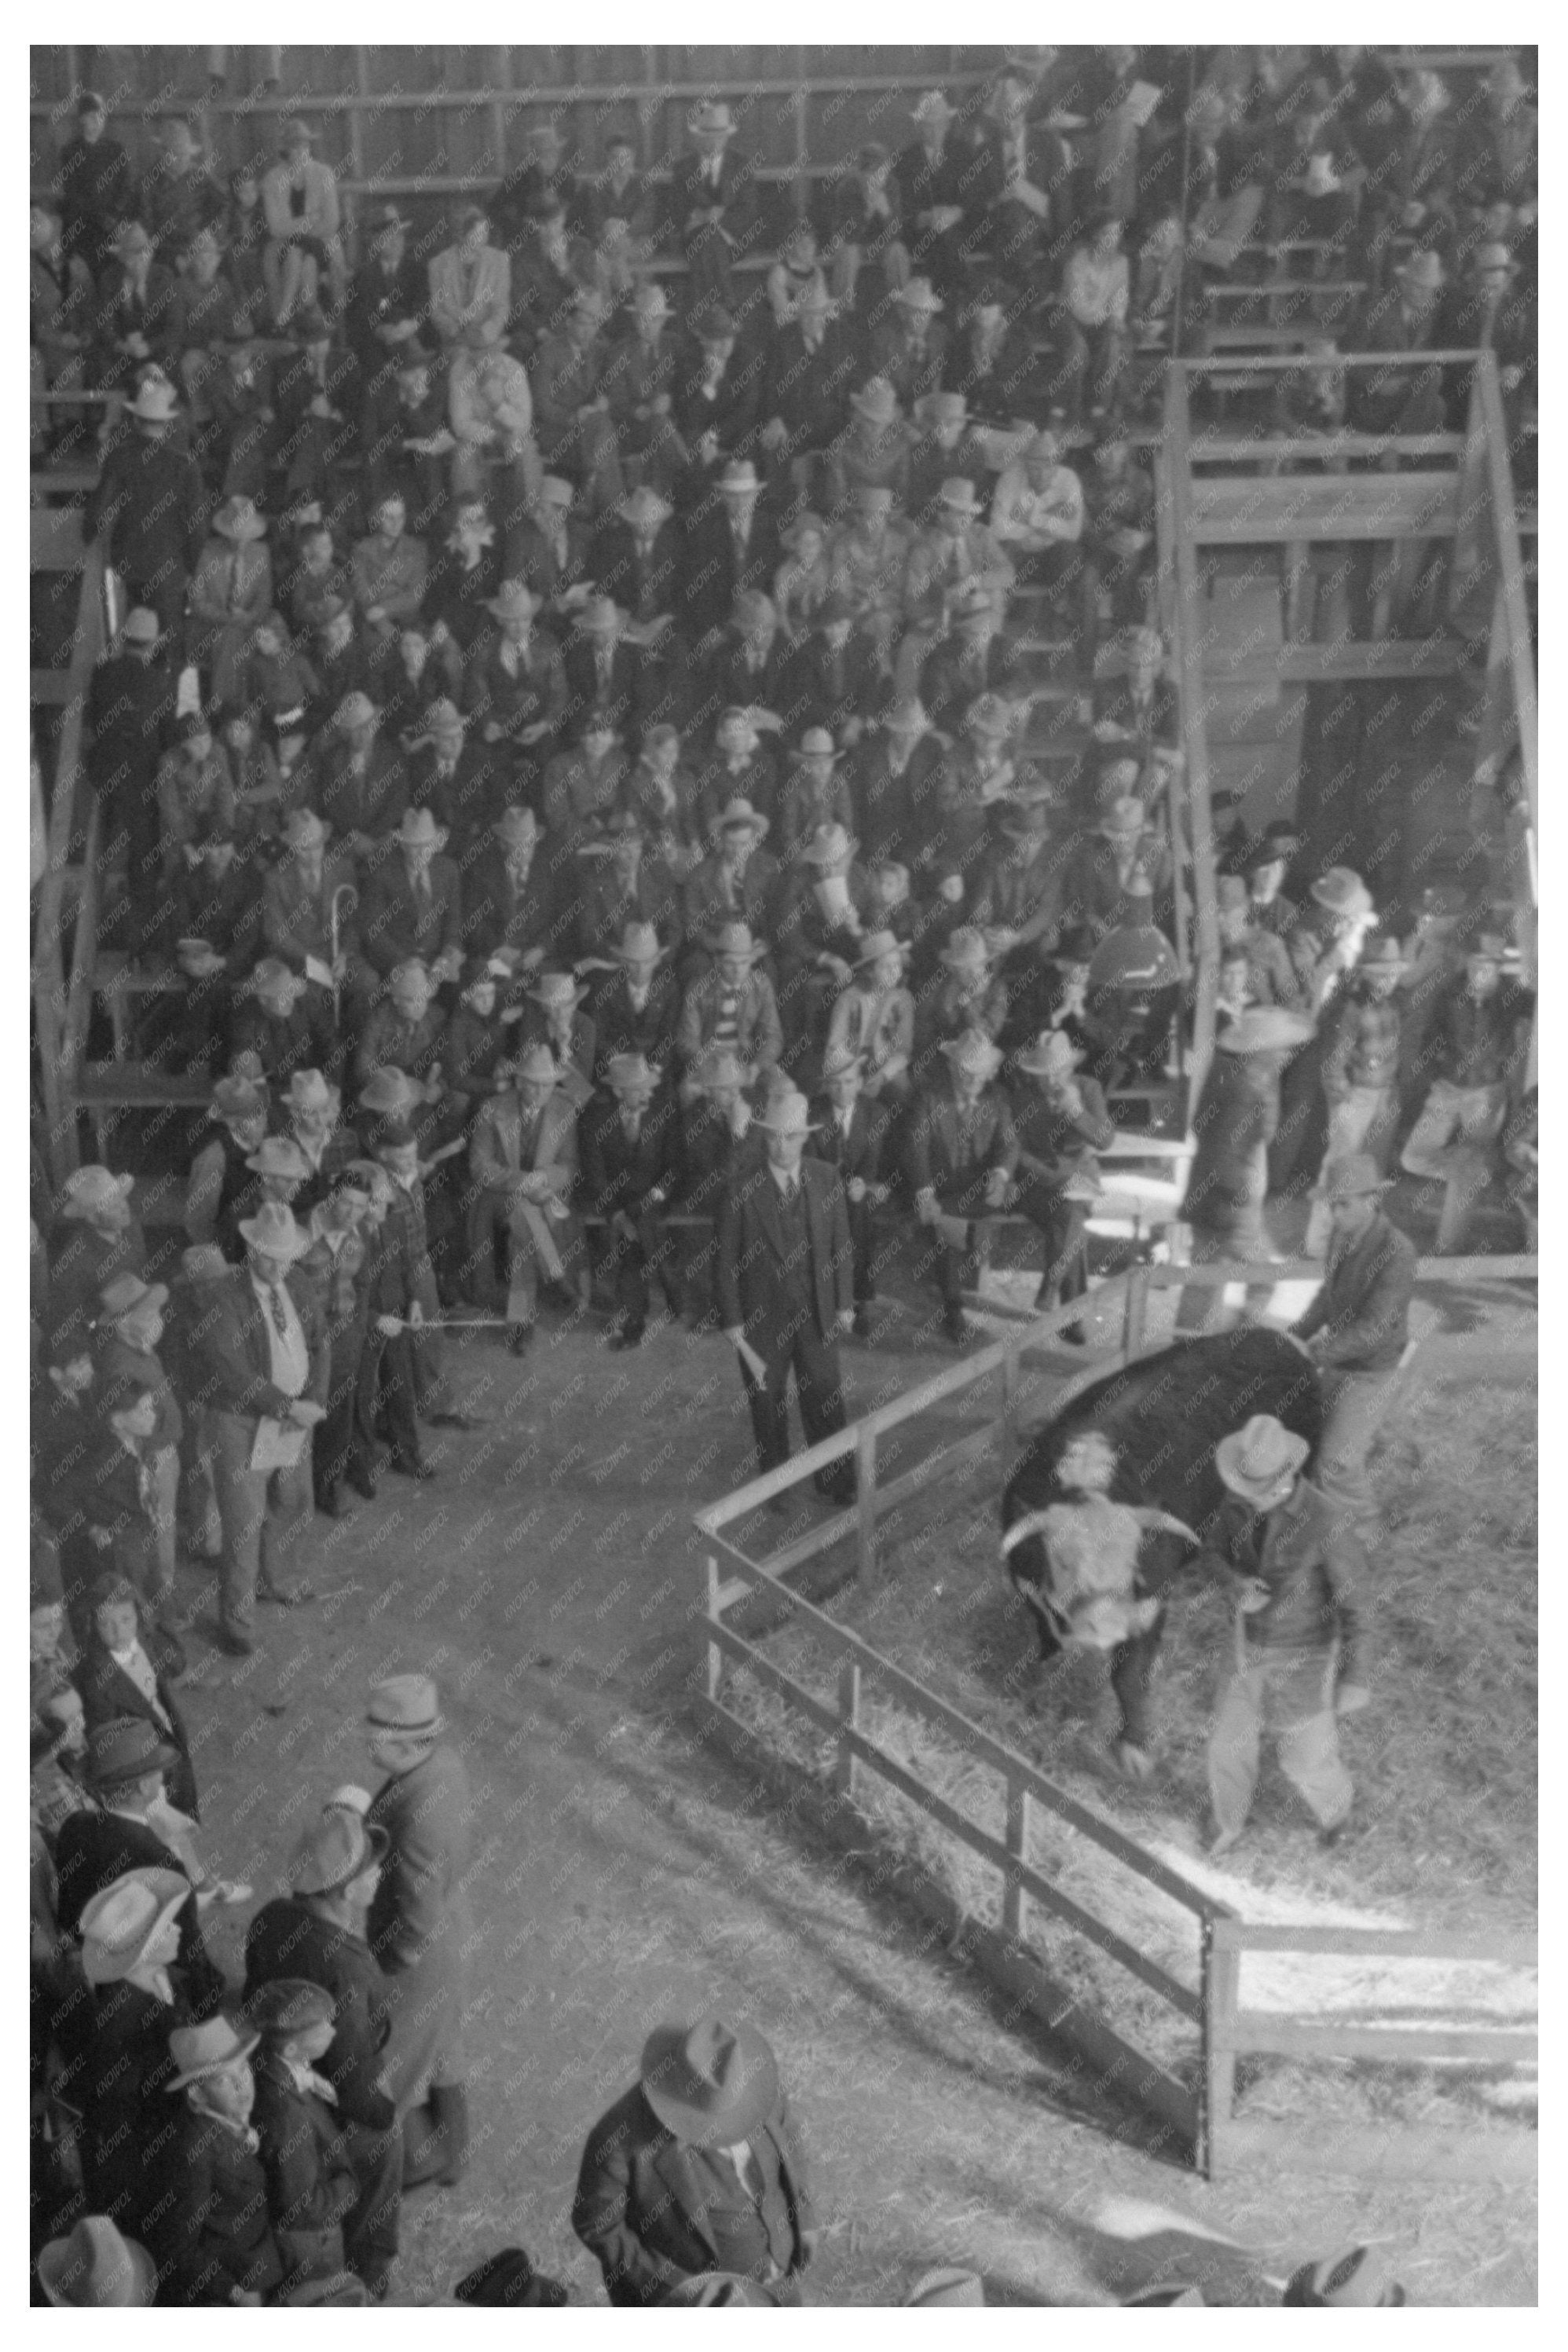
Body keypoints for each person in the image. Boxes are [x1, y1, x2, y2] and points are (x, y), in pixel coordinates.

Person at [1200, 1415, 1371, 1858]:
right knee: (1227, 1742)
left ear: (1285, 1476)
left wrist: (1356, 1677)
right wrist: (1235, 1584)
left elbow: (1357, 1605)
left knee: (1303, 1758)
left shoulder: (1327, 1519)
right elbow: (1212, 1553)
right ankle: (1226, 1822)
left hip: (1305, 1655)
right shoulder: (1237, 1500)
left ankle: (1338, 1816)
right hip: (1243, 1644)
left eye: (1258, 1490)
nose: (1247, 1497)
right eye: (1244, 1486)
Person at [573, 2013, 819, 2305]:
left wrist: (804, 2220)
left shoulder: (752, 2087)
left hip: (780, 2283)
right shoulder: (619, 2138)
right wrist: (683, 2289)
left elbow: (788, 2140)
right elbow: (597, 2226)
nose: (733, 2131)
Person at [187, 1200, 327, 1655]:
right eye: (269, 1255)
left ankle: (279, 1581)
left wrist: (315, 1401)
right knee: (243, 1522)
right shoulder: (223, 1297)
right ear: (250, 1249)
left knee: (290, 1501)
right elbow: (231, 1372)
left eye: (285, 1256)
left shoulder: (299, 1283)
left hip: (293, 1417)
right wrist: (286, 1405)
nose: (278, 1265)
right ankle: (237, 1621)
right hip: (241, 1421)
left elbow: (320, 1343)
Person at [716, 1087, 856, 1504]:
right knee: (767, 1401)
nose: (782, 1144)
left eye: (791, 1136)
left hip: (817, 1312)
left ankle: (837, 1481)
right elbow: (724, 1262)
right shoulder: (741, 1188)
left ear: (805, 1137)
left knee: (826, 1395)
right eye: (774, 1136)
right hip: (762, 1320)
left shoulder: (826, 1177)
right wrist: (733, 1321)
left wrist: (845, 1302)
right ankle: (774, 1486)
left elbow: (842, 1246)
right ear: (764, 1137)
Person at [365, 1674, 474, 2190]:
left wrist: (384, 1972)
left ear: (407, 1742)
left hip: (420, 1955)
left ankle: (406, 2170)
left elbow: (415, 1921)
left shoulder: (420, 1819)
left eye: (376, 1732)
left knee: (397, 2064)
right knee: (443, 2046)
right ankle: (454, 2155)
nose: (367, 1739)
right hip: (451, 1928)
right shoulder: (442, 1766)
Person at [245, 1976, 399, 2301]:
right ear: (291, 2048)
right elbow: (302, 2207)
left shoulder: (273, 2065)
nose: (333, 2031)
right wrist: (350, 2188)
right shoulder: (285, 2116)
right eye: (323, 2027)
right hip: (313, 2246)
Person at [1289, 1155, 1417, 1533]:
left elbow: (1376, 1329)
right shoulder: (1341, 1239)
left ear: (1372, 1200)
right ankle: (1326, 1524)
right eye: (1332, 1204)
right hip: (1341, 1361)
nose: (1334, 1213)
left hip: (1375, 1369)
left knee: (1336, 1463)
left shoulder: (1397, 1251)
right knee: (1313, 1443)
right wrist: (1293, 1335)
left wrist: (1315, 1352)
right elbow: (1326, 1299)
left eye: (1343, 1203)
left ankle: (1367, 1529)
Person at [1399, 931, 1530, 1252]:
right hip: (1447, 1090)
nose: (1478, 970)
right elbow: (1430, 1038)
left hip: (1487, 1096)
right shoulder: (1449, 994)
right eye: (1473, 963)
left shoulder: (1517, 1000)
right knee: (1413, 1158)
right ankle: (1470, 1170)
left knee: (1469, 1171)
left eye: (1487, 964)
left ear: (1499, 967)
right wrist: (1432, 1076)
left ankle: (1449, 1247)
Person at [146, 2013, 288, 2306]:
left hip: (261, 2248)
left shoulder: (233, 2113)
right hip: (237, 2275)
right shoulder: (193, 2152)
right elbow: (178, 2247)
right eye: (224, 2079)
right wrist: (233, 2293)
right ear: (197, 2093)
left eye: (244, 2070)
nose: (242, 2086)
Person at [467, 1043, 586, 1352]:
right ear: (519, 1082)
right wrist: (523, 1181)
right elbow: (480, 1167)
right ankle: (556, 1273)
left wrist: (543, 1178)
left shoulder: (565, 1109)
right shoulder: (492, 1108)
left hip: (544, 1195)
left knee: (524, 1232)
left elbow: (570, 1166)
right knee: (521, 1207)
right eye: (532, 1083)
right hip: (499, 1196)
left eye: (546, 1084)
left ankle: (519, 1323)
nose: (539, 1091)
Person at [905, 1028, 1019, 1346]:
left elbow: (1008, 1145)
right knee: (943, 1224)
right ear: (954, 1068)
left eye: (980, 1075)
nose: (973, 1081)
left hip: (978, 1188)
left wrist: (999, 1174)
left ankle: (962, 1265)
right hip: (940, 1189)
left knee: (992, 1201)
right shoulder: (929, 1096)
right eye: (967, 1073)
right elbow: (916, 1148)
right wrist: (925, 1192)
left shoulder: (996, 1097)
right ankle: (952, 1306)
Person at [1009, 1030, 1115, 1322]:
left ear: (1070, 1069)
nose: (1052, 1081)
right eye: (1045, 1075)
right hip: (1039, 1186)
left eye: (1059, 1072)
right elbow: (1016, 1152)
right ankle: (1072, 1316)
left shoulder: (1088, 1088)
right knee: (1072, 1223)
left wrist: (1076, 1111)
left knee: (1071, 1212)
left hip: (1079, 1184)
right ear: (1035, 1074)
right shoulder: (1022, 1098)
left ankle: (1049, 1293)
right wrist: (1055, 1177)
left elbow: (1105, 1141)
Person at [581, 1053, 683, 1350]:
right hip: (617, 1202)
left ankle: (633, 1322)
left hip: (655, 1197)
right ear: (618, 1091)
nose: (647, 1093)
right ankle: (668, 1291)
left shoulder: (663, 1112)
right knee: (635, 1243)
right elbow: (596, 1176)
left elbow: (675, 1168)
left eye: (648, 1087)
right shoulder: (596, 1119)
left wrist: (647, 1201)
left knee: (638, 1233)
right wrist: (617, 1215)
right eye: (639, 1089)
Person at [808, 1046, 892, 1338]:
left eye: (848, 1082)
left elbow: (877, 1160)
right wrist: (834, 1188)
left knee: (860, 1212)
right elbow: (808, 1161)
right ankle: (824, 1298)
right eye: (835, 1083)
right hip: (821, 1187)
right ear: (826, 1085)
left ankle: (858, 1299)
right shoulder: (812, 1111)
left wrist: (864, 1184)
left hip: (863, 1191)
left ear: (859, 1083)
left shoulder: (875, 1113)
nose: (842, 1090)